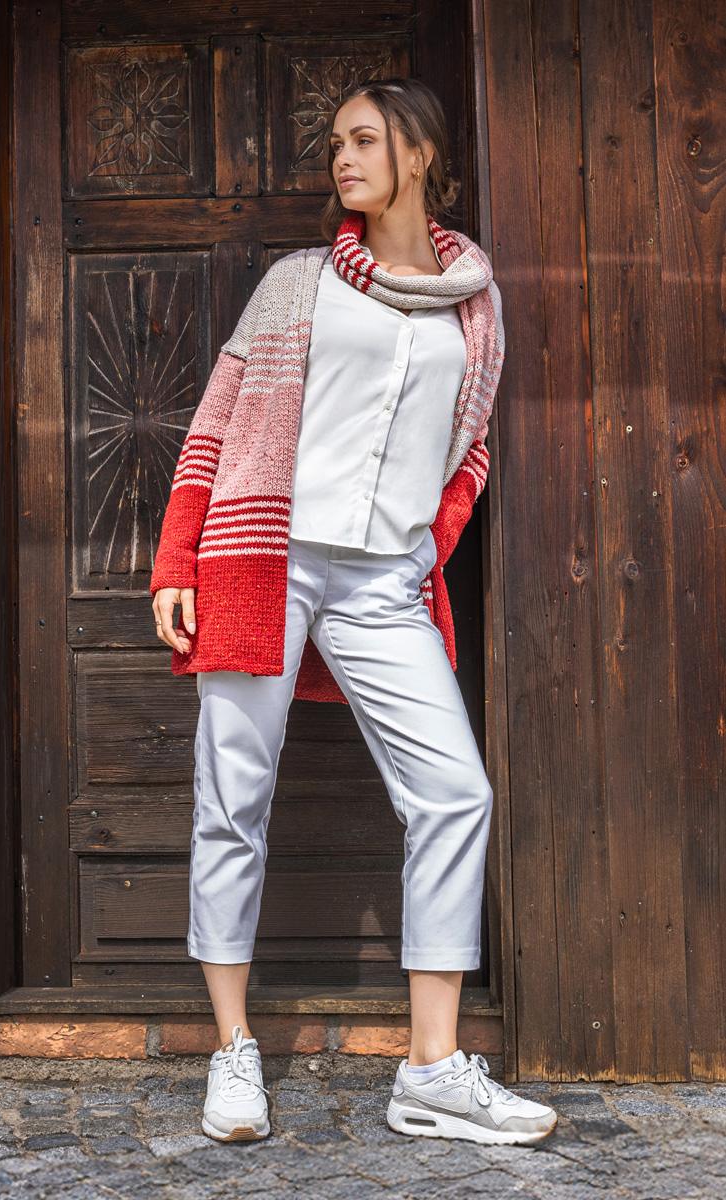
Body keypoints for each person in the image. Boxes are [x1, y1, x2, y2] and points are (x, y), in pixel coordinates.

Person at [150, 78, 557, 1147]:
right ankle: (234, 1049)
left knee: (454, 794)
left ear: (418, 156)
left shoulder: (474, 302)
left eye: (364, 139)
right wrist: (176, 559)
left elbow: (467, 449)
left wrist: (429, 542)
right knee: (232, 799)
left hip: (384, 583)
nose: (342, 157)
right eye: (335, 141)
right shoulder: (297, 283)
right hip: (265, 559)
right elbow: (216, 421)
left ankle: (430, 1069)